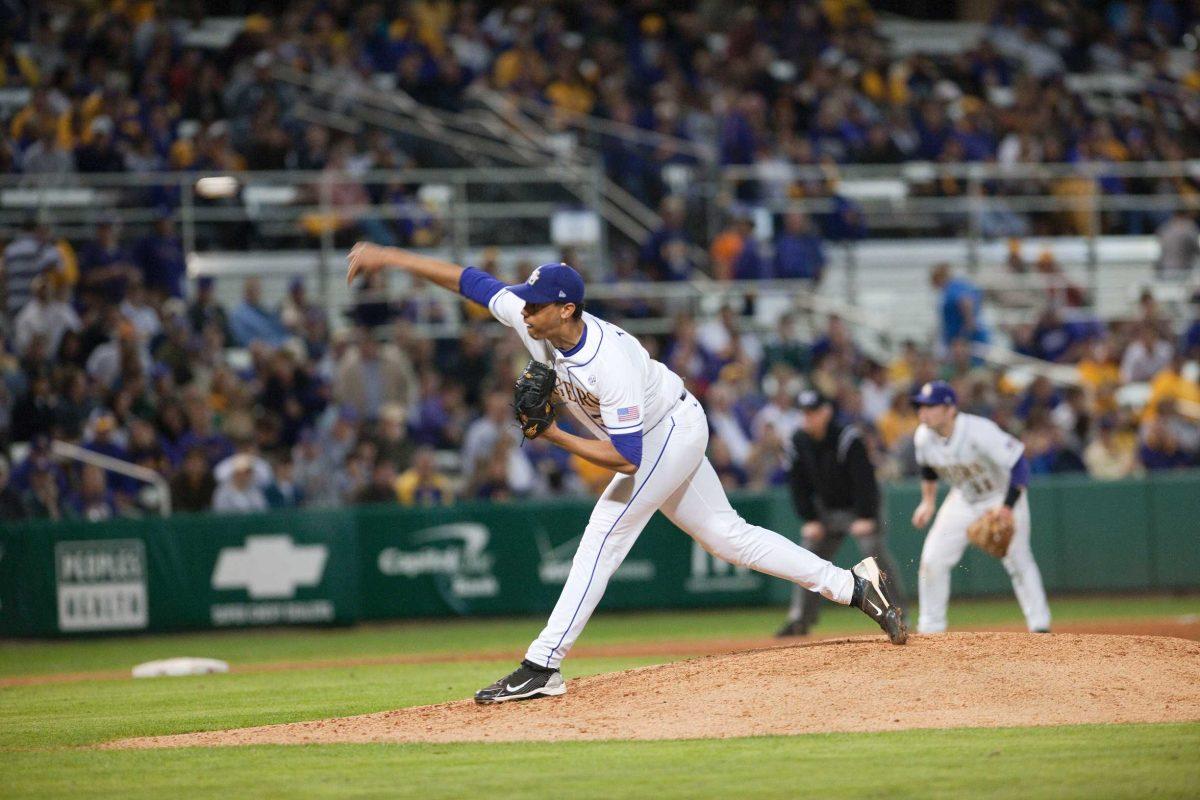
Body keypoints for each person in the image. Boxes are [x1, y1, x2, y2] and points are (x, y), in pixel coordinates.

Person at [346, 242, 907, 705]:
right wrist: (392, 260)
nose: (525, 310)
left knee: (603, 533)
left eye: (537, 305)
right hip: (662, 427)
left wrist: (555, 436)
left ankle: (543, 663)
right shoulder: (533, 319)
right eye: (527, 302)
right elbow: (471, 282)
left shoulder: (606, 363)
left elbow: (628, 457)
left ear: (566, 310)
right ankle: (854, 585)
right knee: (731, 538)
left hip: (670, 430)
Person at [909, 381, 1051, 634]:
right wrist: (928, 501)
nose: (923, 411)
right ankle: (931, 630)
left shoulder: (978, 430)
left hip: (1001, 495)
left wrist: (1007, 508)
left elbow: (1019, 463)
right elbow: (927, 467)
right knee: (932, 559)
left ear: (950, 409)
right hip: (964, 498)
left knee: (1018, 560)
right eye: (920, 405)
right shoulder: (923, 437)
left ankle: (1040, 626)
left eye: (930, 406)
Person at [777, 390, 908, 637]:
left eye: (812, 412)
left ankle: (899, 614)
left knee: (874, 552)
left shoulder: (848, 437)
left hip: (860, 507)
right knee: (806, 554)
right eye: (804, 413)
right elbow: (797, 484)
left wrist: (866, 516)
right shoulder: (797, 441)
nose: (808, 418)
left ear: (826, 411)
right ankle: (799, 620)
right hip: (826, 511)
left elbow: (865, 480)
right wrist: (810, 519)